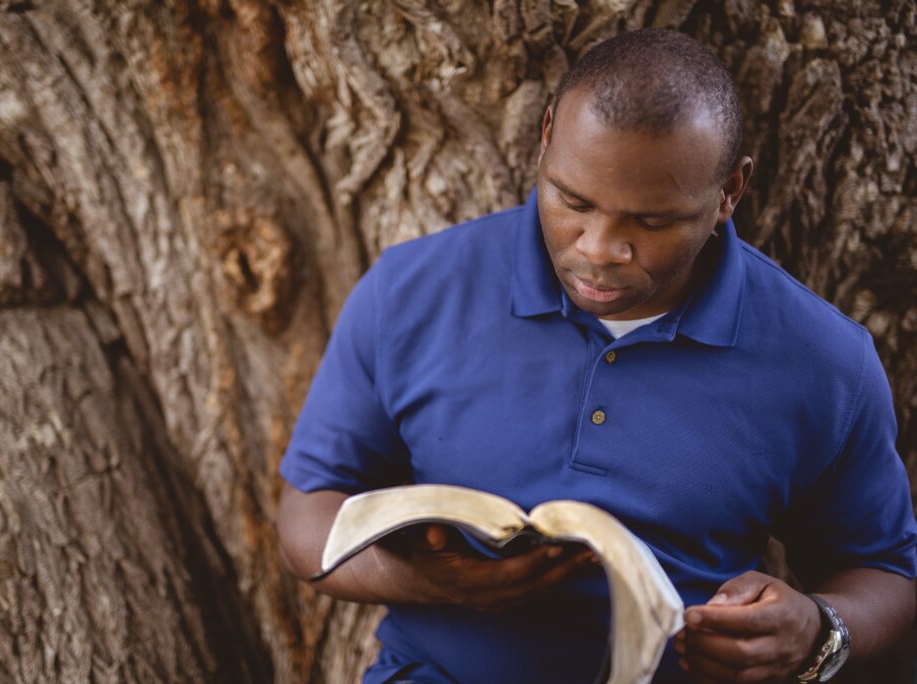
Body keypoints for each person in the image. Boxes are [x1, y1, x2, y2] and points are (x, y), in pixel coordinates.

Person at [276, 28, 917, 683]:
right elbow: (306, 517)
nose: (599, 248)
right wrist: (432, 582)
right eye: (573, 201)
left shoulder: (821, 359)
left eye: (652, 222)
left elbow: (887, 572)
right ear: (548, 134)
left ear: (729, 190)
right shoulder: (411, 290)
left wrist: (818, 632)